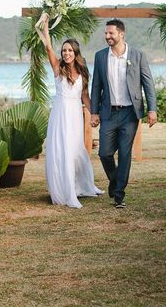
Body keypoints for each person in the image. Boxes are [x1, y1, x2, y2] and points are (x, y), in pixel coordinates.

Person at [90, 19, 157, 208]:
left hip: (130, 113)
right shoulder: (100, 56)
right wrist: (94, 112)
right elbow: (96, 86)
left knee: (125, 154)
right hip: (108, 113)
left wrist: (152, 109)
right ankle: (115, 181)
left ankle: (119, 195)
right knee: (104, 153)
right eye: (105, 33)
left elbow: (148, 84)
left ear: (121, 34)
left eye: (111, 33)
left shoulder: (137, 55)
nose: (107, 36)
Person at [36, 16, 102, 208]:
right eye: (64, 50)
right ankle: (65, 191)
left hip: (75, 115)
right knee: (61, 150)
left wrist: (94, 114)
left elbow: (85, 97)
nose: (66, 53)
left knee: (75, 150)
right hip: (60, 114)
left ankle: (81, 185)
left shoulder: (82, 72)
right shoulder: (58, 68)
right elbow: (48, 48)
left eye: (69, 50)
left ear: (75, 53)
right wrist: (46, 29)